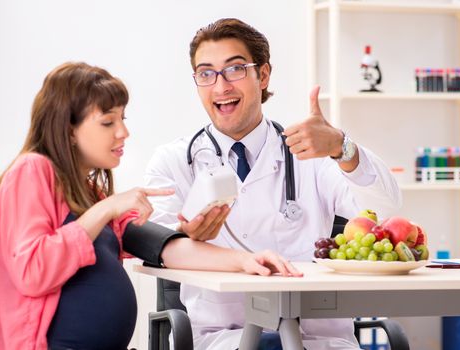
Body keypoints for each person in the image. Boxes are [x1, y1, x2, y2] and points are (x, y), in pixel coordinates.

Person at [0, 62, 301, 350]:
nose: (123, 132)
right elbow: (32, 272)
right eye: (107, 122)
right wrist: (106, 209)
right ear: (69, 130)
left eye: (122, 119)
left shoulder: (89, 192)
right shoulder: (32, 170)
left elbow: (163, 249)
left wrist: (245, 260)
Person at [144, 18, 402, 350]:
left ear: (263, 75)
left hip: (317, 338)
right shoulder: (175, 160)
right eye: (206, 74)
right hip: (225, 337)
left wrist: (342, 147)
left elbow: (384, 209)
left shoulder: (312, 150)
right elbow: (156, 245)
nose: (220, 87)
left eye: (235, 69)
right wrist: (186, 239)